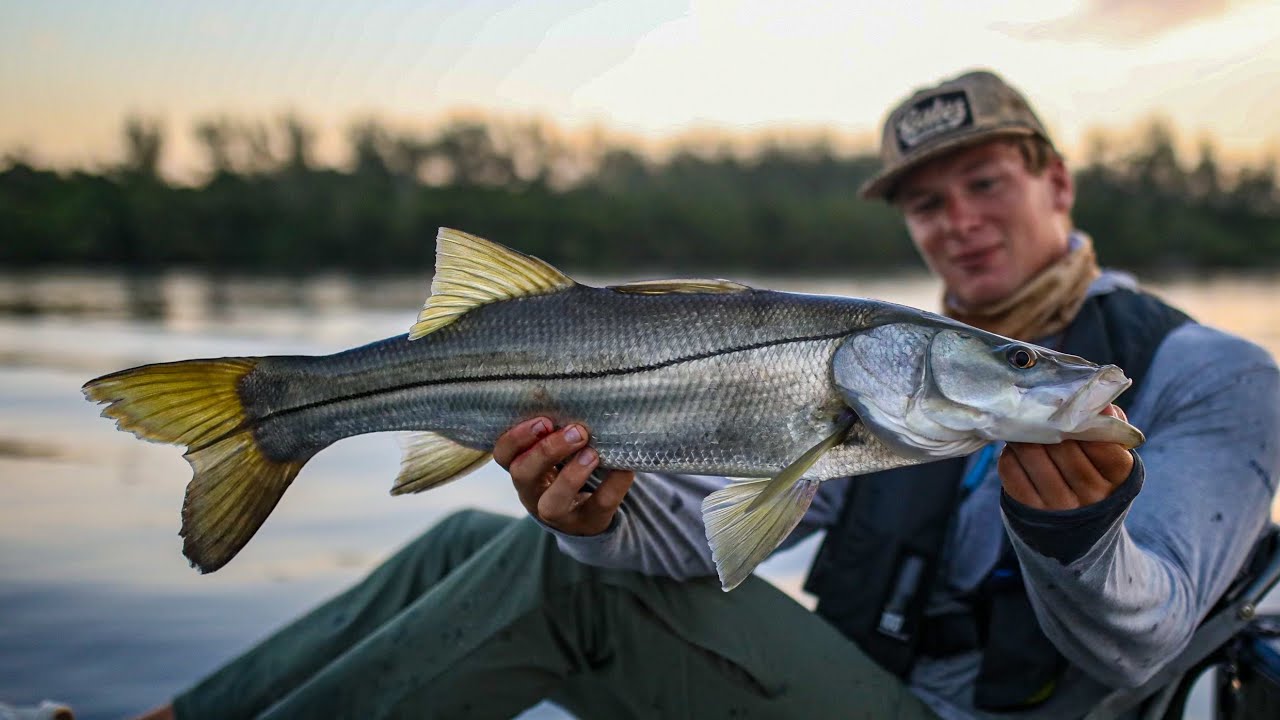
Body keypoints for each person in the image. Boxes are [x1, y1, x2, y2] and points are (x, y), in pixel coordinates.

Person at [138, 70, 1280, 720]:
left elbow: (1141, 646)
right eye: (925, 206)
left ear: (1055, 183)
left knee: (547, 586)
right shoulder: (894, 376)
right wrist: (599, 517)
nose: (958, 222)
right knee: (464, 546)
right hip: (839, 684)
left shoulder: (1207, 373)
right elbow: (704, 539)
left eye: (984, 182)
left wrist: (1073, 533)